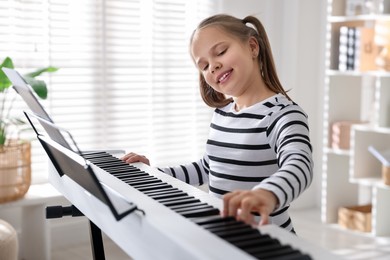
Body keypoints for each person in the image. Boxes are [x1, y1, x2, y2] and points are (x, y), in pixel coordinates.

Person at [121, 14, 313, 233]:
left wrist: (267, 194)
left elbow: (300, 165)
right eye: (203, 66)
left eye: (220, 52)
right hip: (226, 235)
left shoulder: (283, 114)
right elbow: (207, 168)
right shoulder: (222, 114)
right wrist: (152, 173)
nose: (212, 67)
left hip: (269, 239)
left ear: (252, 47)